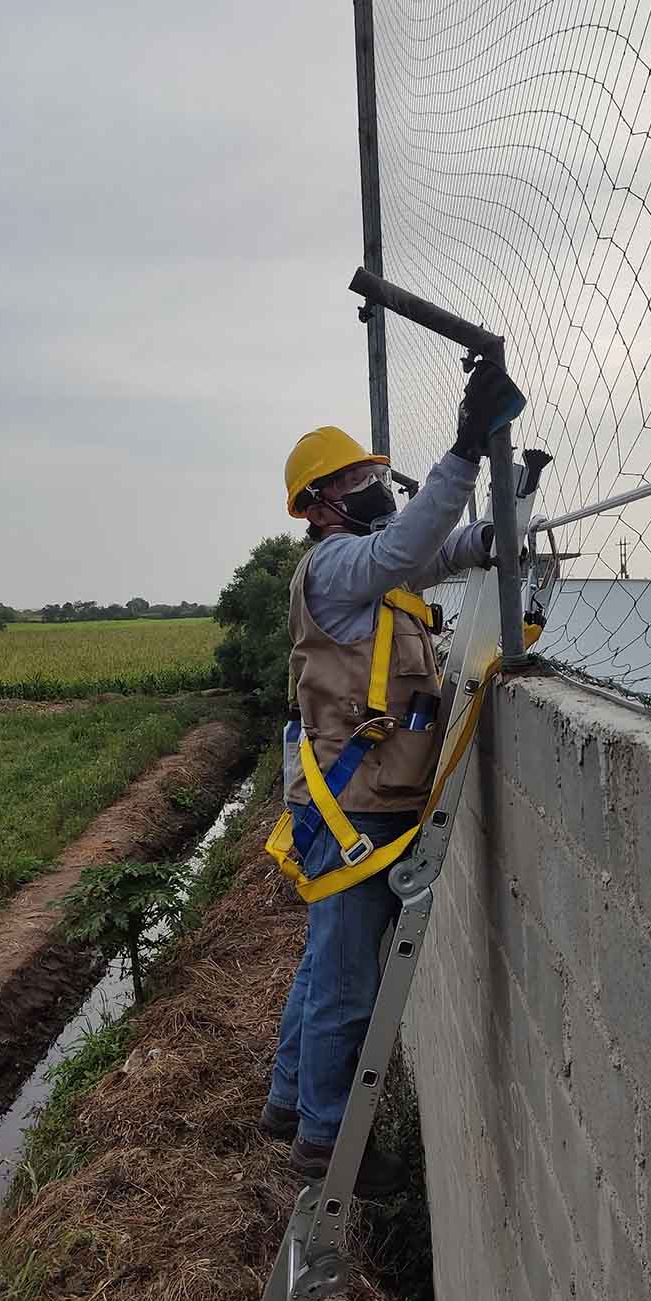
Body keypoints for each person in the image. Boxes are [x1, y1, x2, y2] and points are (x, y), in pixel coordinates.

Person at [259, 359, 526, 1196]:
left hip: (357, 795)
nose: (376, 487)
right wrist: (460, 455)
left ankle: (287, 1102)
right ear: (319, 504)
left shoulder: (370, 570)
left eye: (377, 475)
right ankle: (326, 1140)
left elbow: (430, 552)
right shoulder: (336, 568)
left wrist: (491, 531)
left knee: (325, 964)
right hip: (353, 804)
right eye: (359, 480)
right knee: (346, 977)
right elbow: (409, 546)